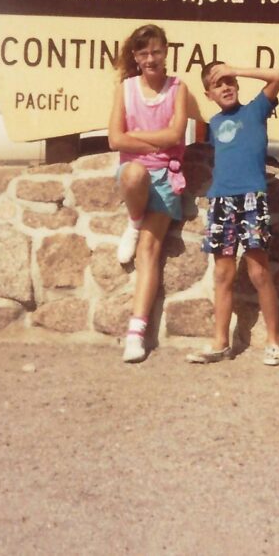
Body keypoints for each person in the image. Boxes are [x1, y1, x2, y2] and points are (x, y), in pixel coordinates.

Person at [186, 60, 279, 367]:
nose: (226, 87)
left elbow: (276, 75)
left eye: (229, 81)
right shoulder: (214, 124)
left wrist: (236, 69)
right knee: (222, 273)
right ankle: (220, 342)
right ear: (209, 94)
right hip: (221, 201)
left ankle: (275, 340)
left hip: (252, 198)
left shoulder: (255, 110)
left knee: (258, 272)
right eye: (218, 84)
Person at [108, 23, 189, 363]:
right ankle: (134, 218)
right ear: (136, 57)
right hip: (137, 174)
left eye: (156, 51)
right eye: (144, 53)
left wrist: (140, 135)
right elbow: (115, 139)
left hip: (167, 178)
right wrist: (157, 137)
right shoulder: (126, 88)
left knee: (148, 252)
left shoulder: (178, 88)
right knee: (136, 172)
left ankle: (136, 332)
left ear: (166, 51)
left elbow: (177, 136)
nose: (151, 58)